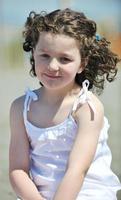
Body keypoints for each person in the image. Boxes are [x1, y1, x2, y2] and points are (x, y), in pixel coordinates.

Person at [9, 8, 121, 200]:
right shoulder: (21, 107)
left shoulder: (87, 108)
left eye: (65, 59)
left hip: (86, 193)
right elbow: (17, 169)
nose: (53, 66)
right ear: (33, 53)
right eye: (45, 55)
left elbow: (77, 171)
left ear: (82, 63)